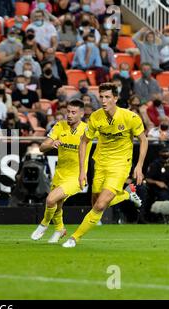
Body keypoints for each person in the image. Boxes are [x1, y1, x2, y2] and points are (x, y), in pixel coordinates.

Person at [62, 83, 147, 248]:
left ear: (116, 98)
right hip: (100, 163)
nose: (103, 100)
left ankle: (74, 238)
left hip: (120, 165)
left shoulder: (130, 117)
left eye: (107, 97)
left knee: (101, 205)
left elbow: (143, 140)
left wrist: (139, 166)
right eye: (101, 97)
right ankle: (126, 195)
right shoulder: (95, 117)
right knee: (96, 203)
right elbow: (84, 142)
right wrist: (82, 171)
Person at [31, 100, 90, 242]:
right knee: (57, 205)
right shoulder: (59, 126)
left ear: (81, 114)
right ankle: (59, 230)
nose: (69, 115)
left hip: (76, 176)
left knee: (51, 199)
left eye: (73, 112)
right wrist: (52, 144)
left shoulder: (88, 129)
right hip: (60, 173)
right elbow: (42, 147)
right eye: (68, 111)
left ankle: (44, 224)